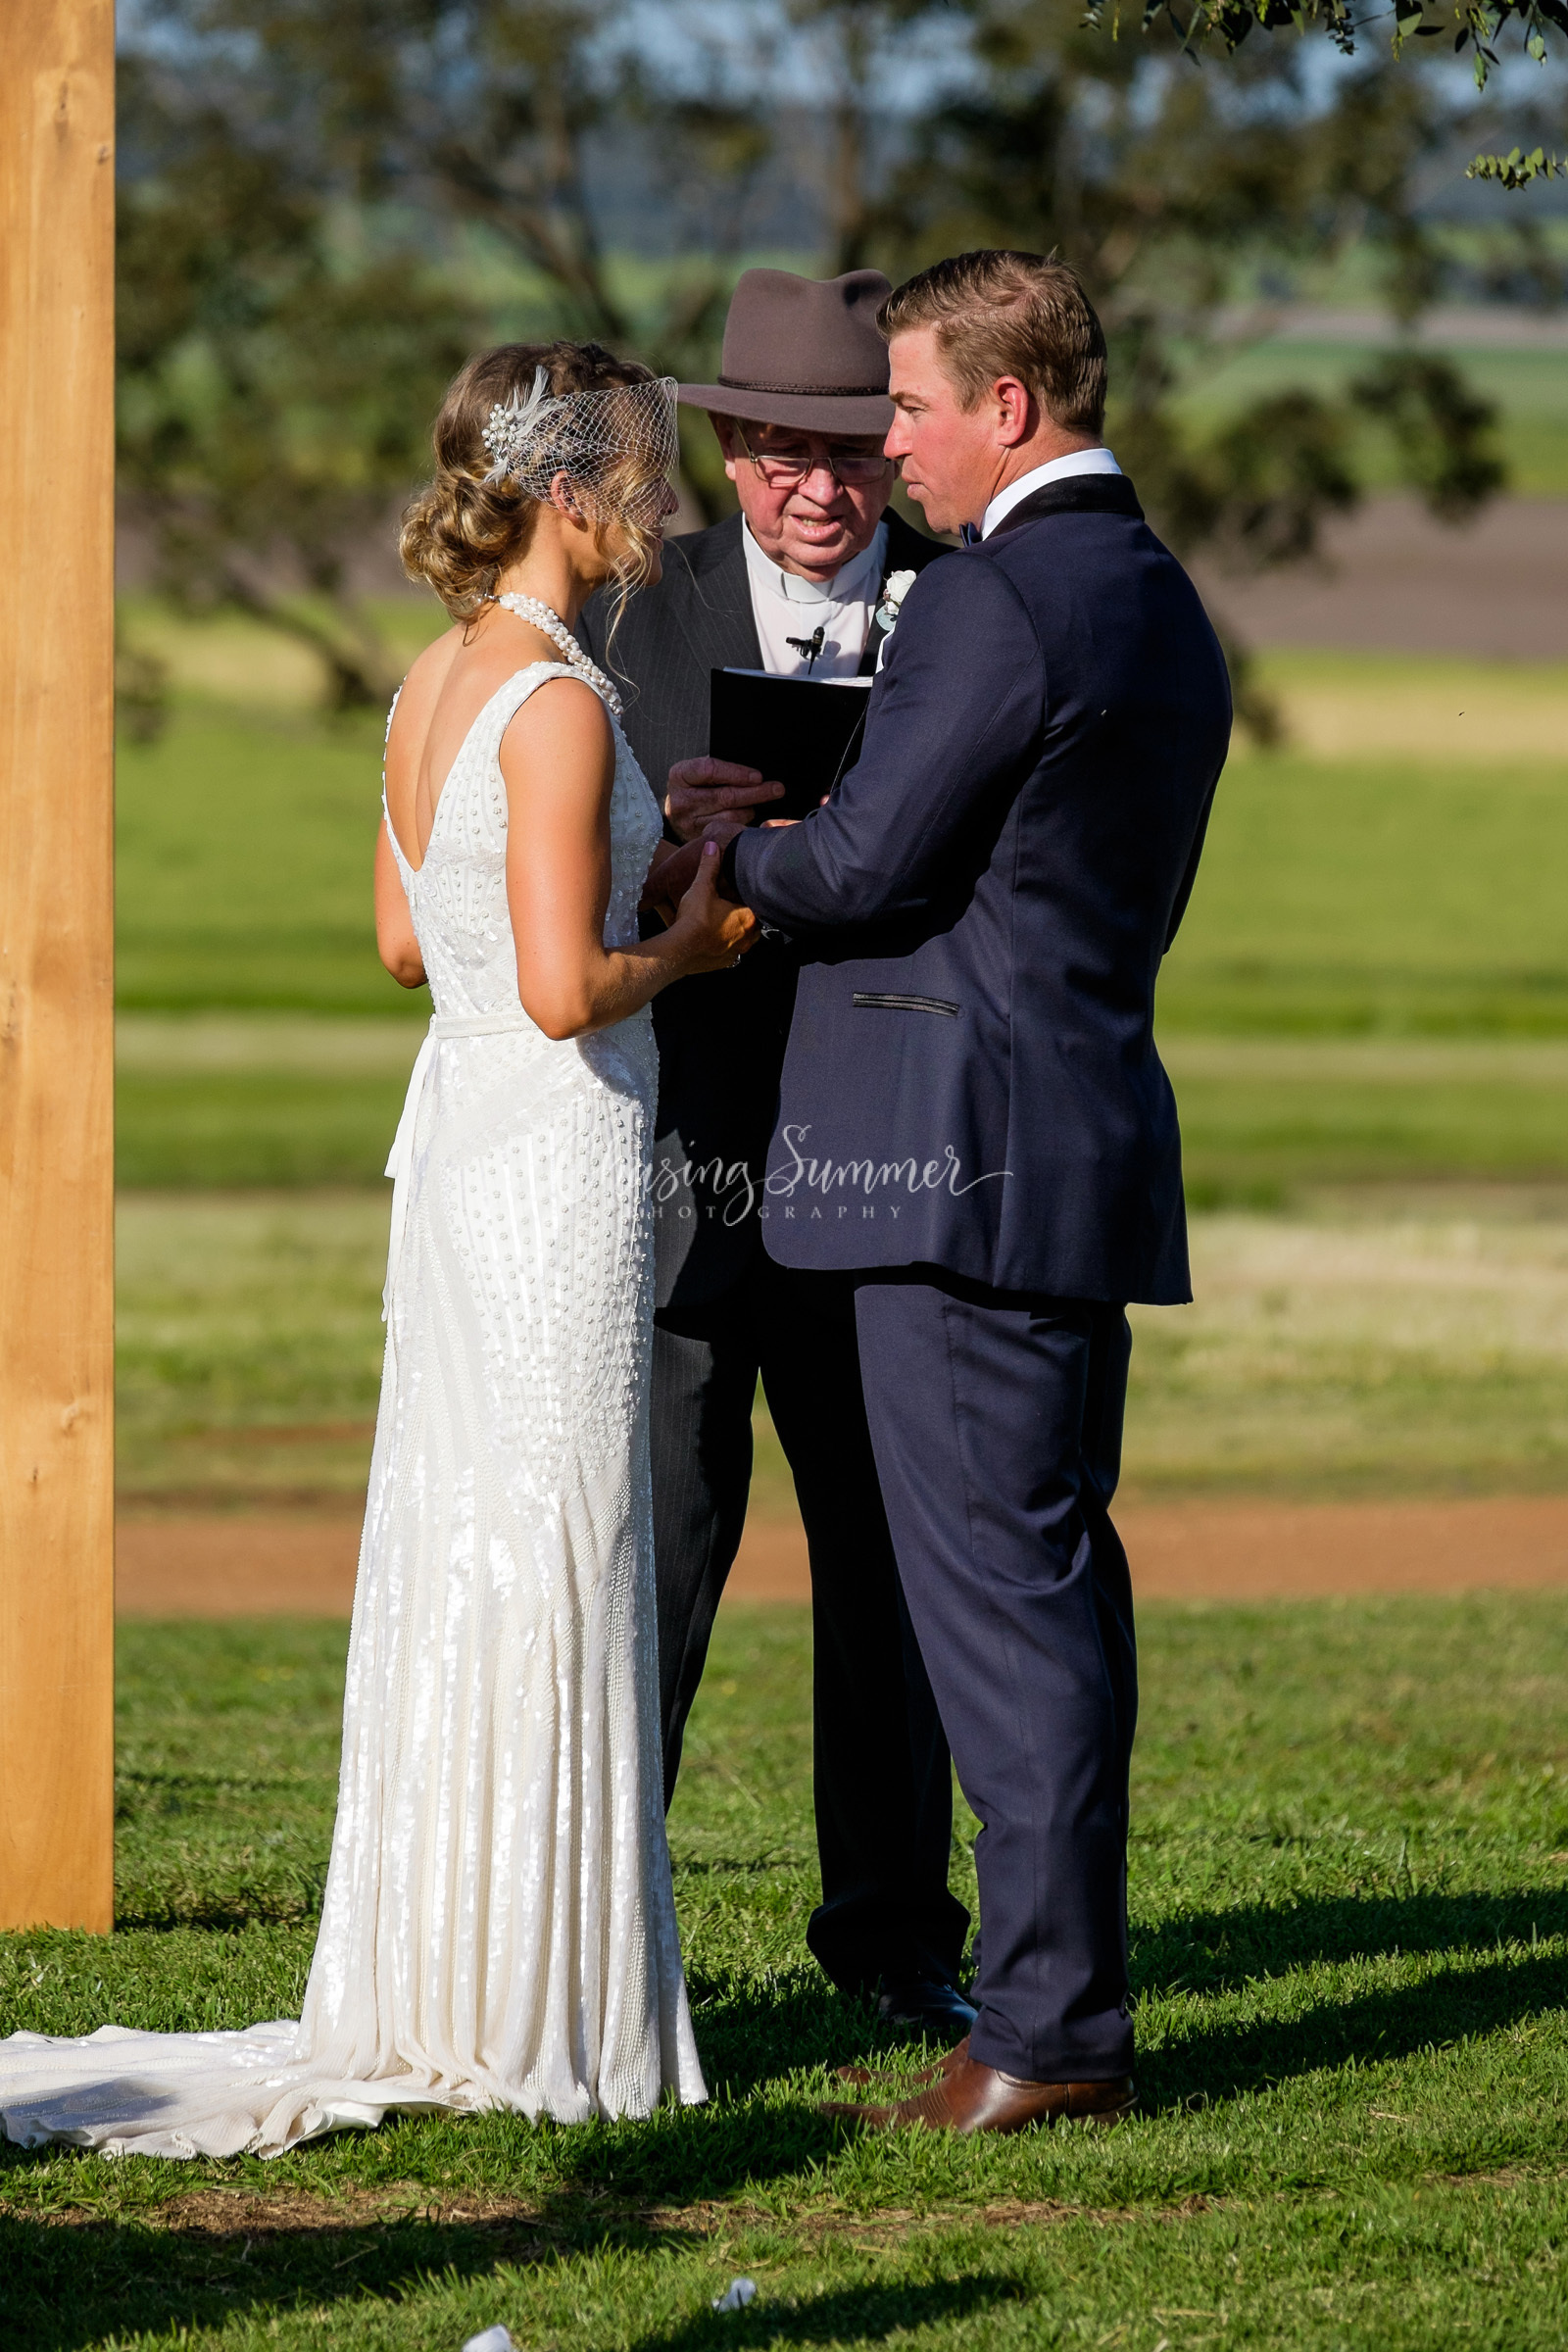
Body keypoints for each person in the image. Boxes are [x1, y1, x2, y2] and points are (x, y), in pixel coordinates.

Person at [0, 341, 752, 2158]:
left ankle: (458, 1966)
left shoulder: (432, 679)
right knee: (558, 1542)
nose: (659, 506)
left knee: (467, 1538)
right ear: (567, 489)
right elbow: (564, 990)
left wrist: (640, 872)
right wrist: (697, 942)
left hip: (459, 1146)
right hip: (555, 1154)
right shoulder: (558, 699)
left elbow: (415, 946)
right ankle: (532, 2000)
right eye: (641, 473)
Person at [687, 250, 1233, 2133]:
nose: (890, 444)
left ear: (1008, 405)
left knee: (1001, 1610)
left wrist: (731, 851)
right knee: (1054, 1591)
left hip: (949, 1171)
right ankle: (1059, 2000)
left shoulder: (996, 594)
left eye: (909, 405)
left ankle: (1047, 2033)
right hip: (1074, 1146)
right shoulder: (1157, 594)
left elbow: (866, 866)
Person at [578, 268, 972, 2036]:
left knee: (885, 1555)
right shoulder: (625, 614)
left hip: (891, 1147)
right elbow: (538, 882)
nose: (821, 486)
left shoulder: (972, 606)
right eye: (782, 452)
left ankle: (894, 1944)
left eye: (853, 451)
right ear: (731, 447)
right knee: (657, 1541)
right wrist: (663, 852)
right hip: (687, 1149)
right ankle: (609, 1936)